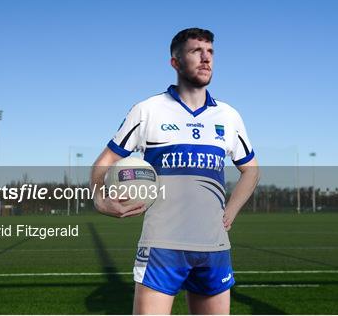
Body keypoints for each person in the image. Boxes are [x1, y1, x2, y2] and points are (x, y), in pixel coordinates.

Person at [91, 28, 260, 314]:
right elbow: (104, 162)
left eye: (210, 53)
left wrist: (230, 211)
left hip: (214, 246)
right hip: (162, 245)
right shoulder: (148, 110)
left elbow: (251, 171)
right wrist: (99, 198)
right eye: (196, 52)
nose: (206, 59)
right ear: (175, 62)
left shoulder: (229, 116)